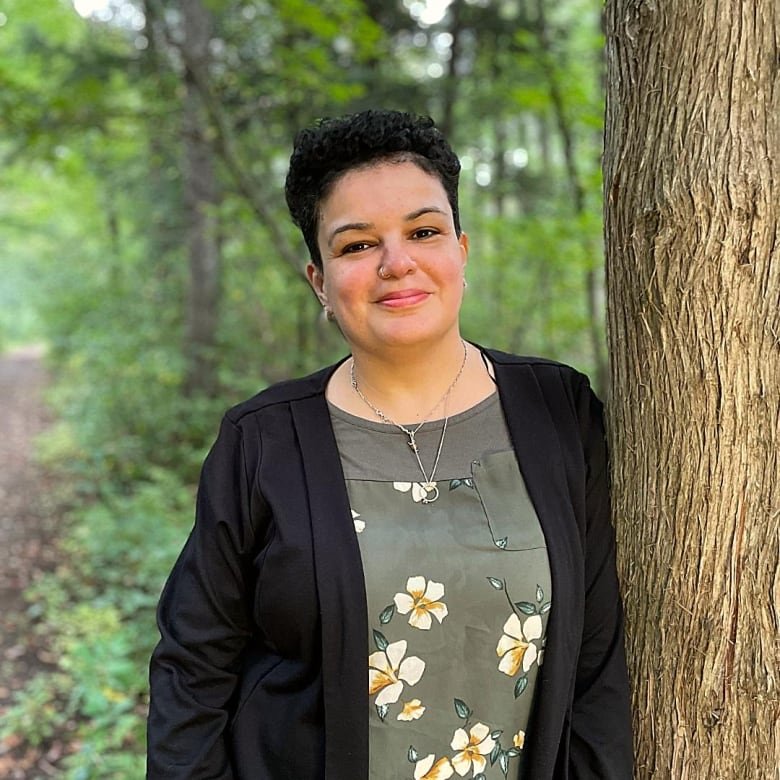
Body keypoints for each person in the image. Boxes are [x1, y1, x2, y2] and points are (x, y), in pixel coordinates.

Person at [147, 109, 632, 779]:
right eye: (356, 245)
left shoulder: (560, 412)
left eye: (423, 231)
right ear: (319, 281)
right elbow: (191, 672)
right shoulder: (261, 442)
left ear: (461, 250)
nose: (396, 263)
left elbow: (598, 667)